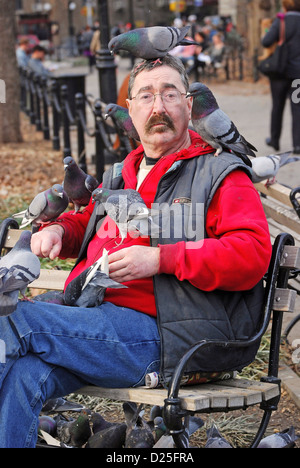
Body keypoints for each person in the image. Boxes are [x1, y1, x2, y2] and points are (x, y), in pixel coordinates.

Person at [0, 54, 272, 448]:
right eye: (146, 96)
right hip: (96, 323)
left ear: (189, 105)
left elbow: (250, 255)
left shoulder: (220, 173)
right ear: (131, 109)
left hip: (168, 335)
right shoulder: (123, 171)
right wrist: (61, 229)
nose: (158, 107)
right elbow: (94, 223)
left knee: (14, 319)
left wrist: (162, 259)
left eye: (169, 94)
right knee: (23, 374)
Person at [262, 0, 300, 154]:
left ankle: (275, 139)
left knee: (277, 105)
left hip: (279, 72)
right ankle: (298, 145)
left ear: (284, 6)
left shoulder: (282, 21)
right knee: (297, 107)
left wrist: (268, 31)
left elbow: (266, 41)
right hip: (298, 74)